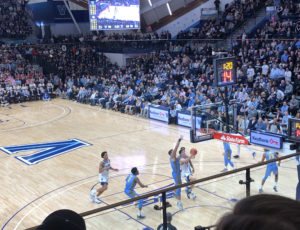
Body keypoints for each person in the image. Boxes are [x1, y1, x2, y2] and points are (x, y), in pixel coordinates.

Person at [168, 136, 184, 210]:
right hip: (176, 174)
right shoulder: (172, 158)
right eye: (172, 152)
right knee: (179, 188)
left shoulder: (176, 158)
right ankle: (179, 202)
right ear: (171, 154)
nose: (173, 152)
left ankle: (174, 193)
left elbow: (181, 160)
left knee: (178, 185)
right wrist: (179, 141)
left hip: (177, 173)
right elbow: (175, 149)